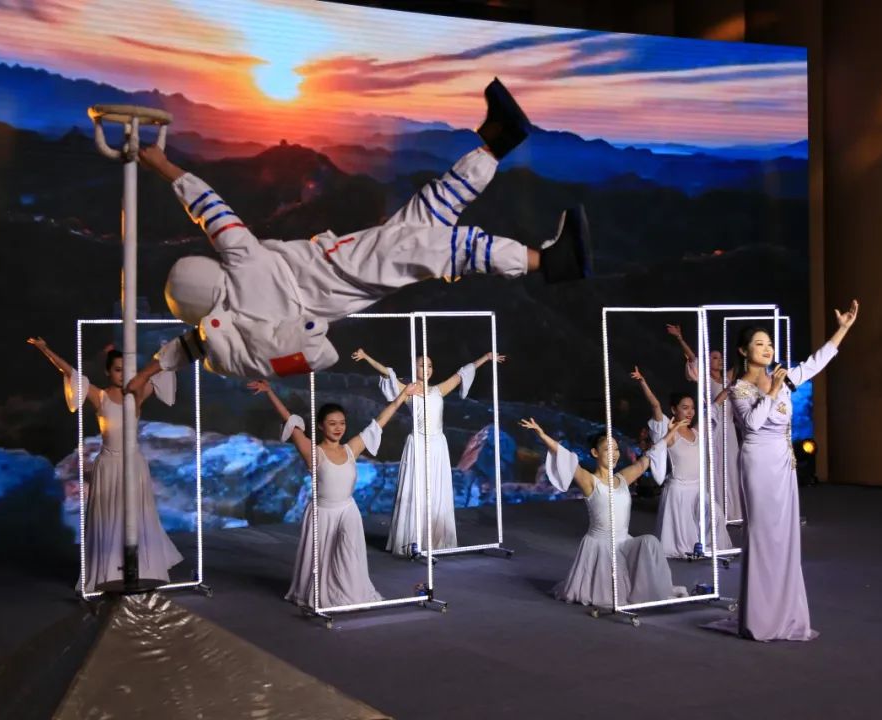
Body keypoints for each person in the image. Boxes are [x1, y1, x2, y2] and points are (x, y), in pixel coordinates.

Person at [126, 79, 591, 395]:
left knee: (430, 216)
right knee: (438, 246)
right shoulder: (241, 266)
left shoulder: (229, 326)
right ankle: (547, 261)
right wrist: (164, 166)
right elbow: (211, 211)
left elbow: (185, 349)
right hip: (344, 265)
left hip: (349, 286)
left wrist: (147, 373)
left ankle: (498, 142)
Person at [705, 299, 859, 641]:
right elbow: (753, 423)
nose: (767, 349)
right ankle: (759, 618)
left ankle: (784, 612)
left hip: (782, 463)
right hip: (757, 462)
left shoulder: (784, 377)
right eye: (760, 344)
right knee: (762, 535)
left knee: (784, 537)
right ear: (744, 351)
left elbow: (815, 363)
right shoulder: (738, 388)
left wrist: (843, 329)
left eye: (770, 344)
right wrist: (773, 391)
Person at [248, 378, 420, 608]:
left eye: (342, 423)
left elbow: (378, 423)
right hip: (323, 512)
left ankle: (350, 591)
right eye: (332, 424)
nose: (338, 428)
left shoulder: (351, 449)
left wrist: (402, 396)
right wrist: (270, 392)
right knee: (323, 558)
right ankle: (323, 591)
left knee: (349, 555)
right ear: (321, 426)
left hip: (348, 511)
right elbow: (290, 421)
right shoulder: (313, 452)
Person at [27, 337, 182, 591]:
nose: (123, 375)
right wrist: (46, 350)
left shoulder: (137, 394)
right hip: (109, 465)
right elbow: (70, 372)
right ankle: (109, 570)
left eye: (127, 370)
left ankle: (143, 568)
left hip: (134, 464)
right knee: (109, 519)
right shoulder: (100, 396)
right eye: (118, 370)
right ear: (109, 371)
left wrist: (168, 350)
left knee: (137, 516)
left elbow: (162, 370)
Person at [519, 417, 688, 607]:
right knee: (610, 595)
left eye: (616, 449)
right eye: (608, 449)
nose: (614, 454)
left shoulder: (622, 478)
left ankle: (657, 590)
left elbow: (648, 458)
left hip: (624, 543)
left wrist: (670, 433)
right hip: (601, 547)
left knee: (651, 542)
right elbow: (565, 457)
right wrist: (542, 435)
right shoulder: (590, 481)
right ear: (595, 453)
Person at [351, 348, 504, 556]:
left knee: (436, 489)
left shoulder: (438, 390)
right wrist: (366, 357)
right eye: (423, 365)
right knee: (418, 488)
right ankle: (413, 538)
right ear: (414, 368)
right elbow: (388, 373)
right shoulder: (408, 390)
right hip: (418, 443)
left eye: (430, 365)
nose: (427, 369)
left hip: (438, 445)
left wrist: (486, 358)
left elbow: (461, 374)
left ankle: (435, 539)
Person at [632, 367, 732, 558]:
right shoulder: (669, 433)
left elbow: (715, 405)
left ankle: (706, 546)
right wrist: (642, 382)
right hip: (679, 489)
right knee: (684, 533)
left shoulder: (696, 431)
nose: (690, 412)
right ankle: (690, 549)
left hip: (698, 488)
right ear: (674, 410)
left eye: (692, 408)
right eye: (685, 408)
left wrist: (730, 388)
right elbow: (655, 406)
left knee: (716, 514)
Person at [666, 323, 743, 522]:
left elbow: (741, 364)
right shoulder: (706, 380)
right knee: (715, 468)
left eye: (720, 357)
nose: (719, 360)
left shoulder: (728, 379)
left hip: (729, 430)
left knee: (731, 468)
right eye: (714, 357)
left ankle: (733, 511)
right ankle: (716, 511)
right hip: (714, 428)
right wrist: (680, 338)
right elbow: (692, 358)